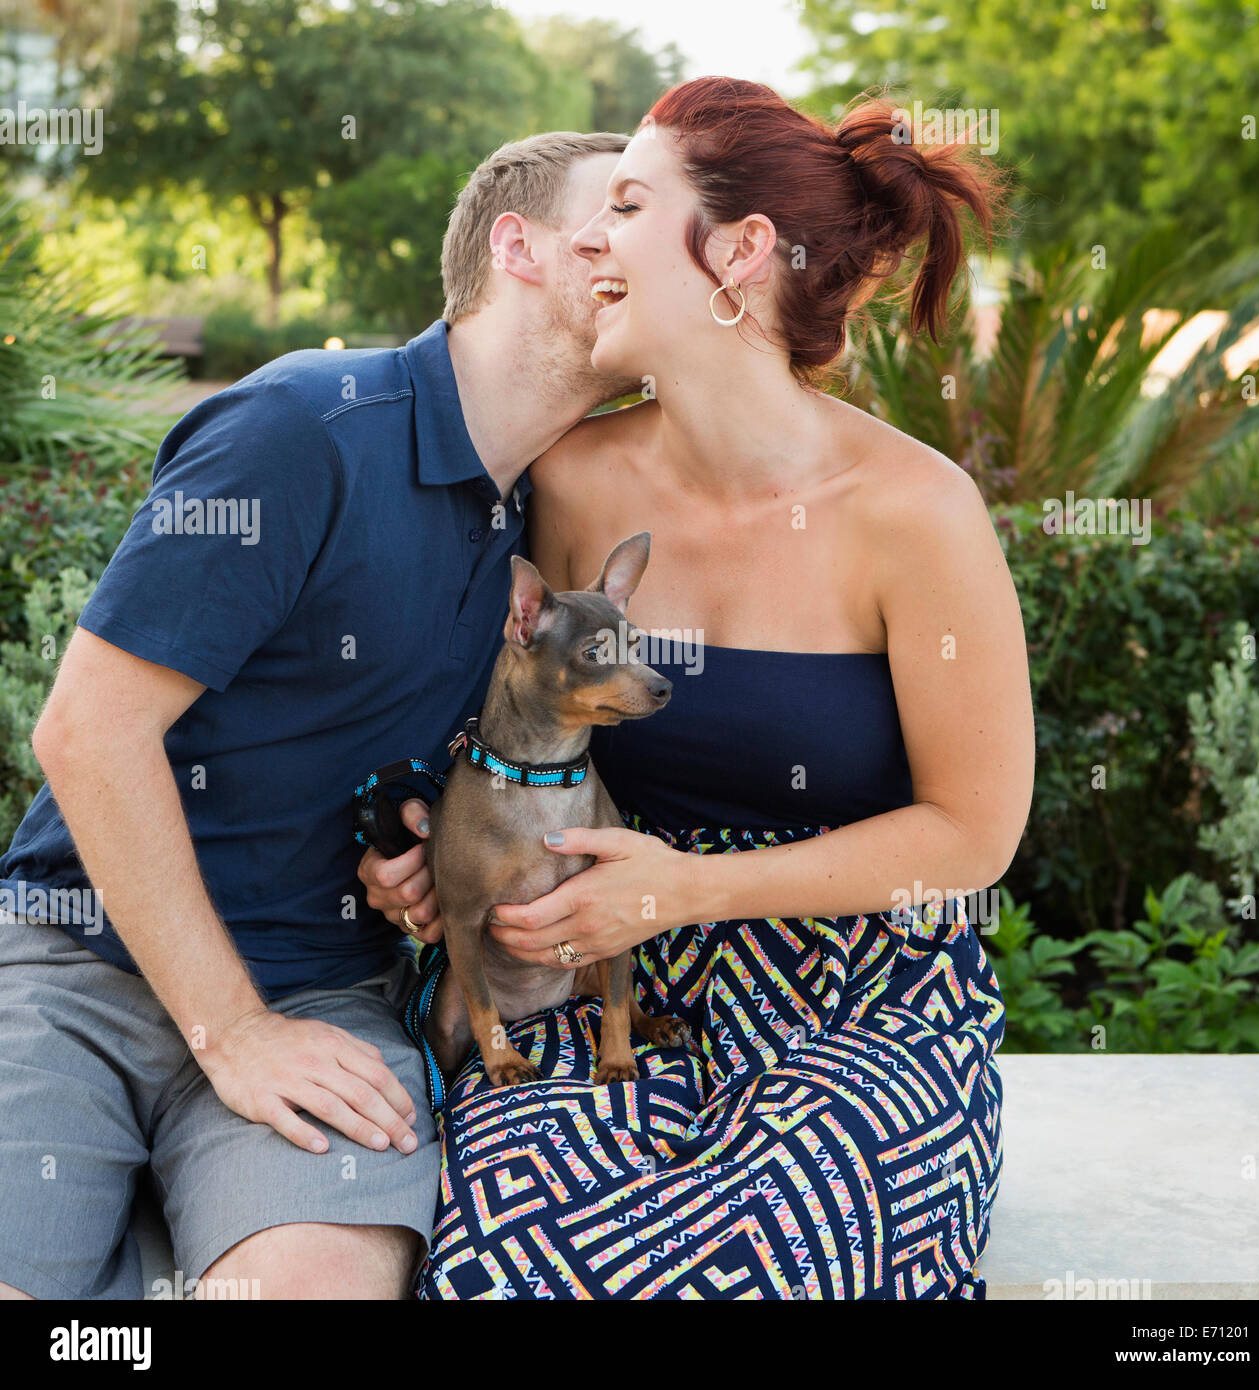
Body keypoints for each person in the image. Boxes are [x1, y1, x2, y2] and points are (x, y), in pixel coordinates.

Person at [362, 77, 1035, 1300]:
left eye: (626, 205)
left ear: (739, 252)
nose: (593, 242)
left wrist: (693, 890)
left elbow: (973, 834)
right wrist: (430, 845)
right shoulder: (567, 483)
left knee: (766, 1244)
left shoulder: (918, 514)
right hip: (597, 974)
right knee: (517, 1255)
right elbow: (510, 734)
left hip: (860, 991)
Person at [0, 130, 638, 1300]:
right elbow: (87, 732)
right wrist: (230, 1032)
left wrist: (412, 843)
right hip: (74, 965)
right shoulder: (305, 427)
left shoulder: (543, 524)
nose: (651, 248)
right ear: (520, 247)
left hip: (325, 995)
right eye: (622, 212)